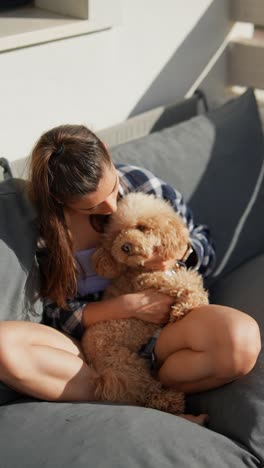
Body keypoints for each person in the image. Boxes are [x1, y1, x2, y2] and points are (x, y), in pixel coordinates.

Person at [0, 124, 261, 402]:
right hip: (90, 346)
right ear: (58, 199)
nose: (111, 207)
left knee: (241, 341)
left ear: (107, 153)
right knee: (4, 345)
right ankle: (131, 392)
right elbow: (52, 312)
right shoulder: (45, 233)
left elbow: (202, 241)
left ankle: (142, 389)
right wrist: (124, 307)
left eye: (112, 188)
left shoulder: (140, 183)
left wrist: (179, 254)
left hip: (166, 330)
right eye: (92, 207)